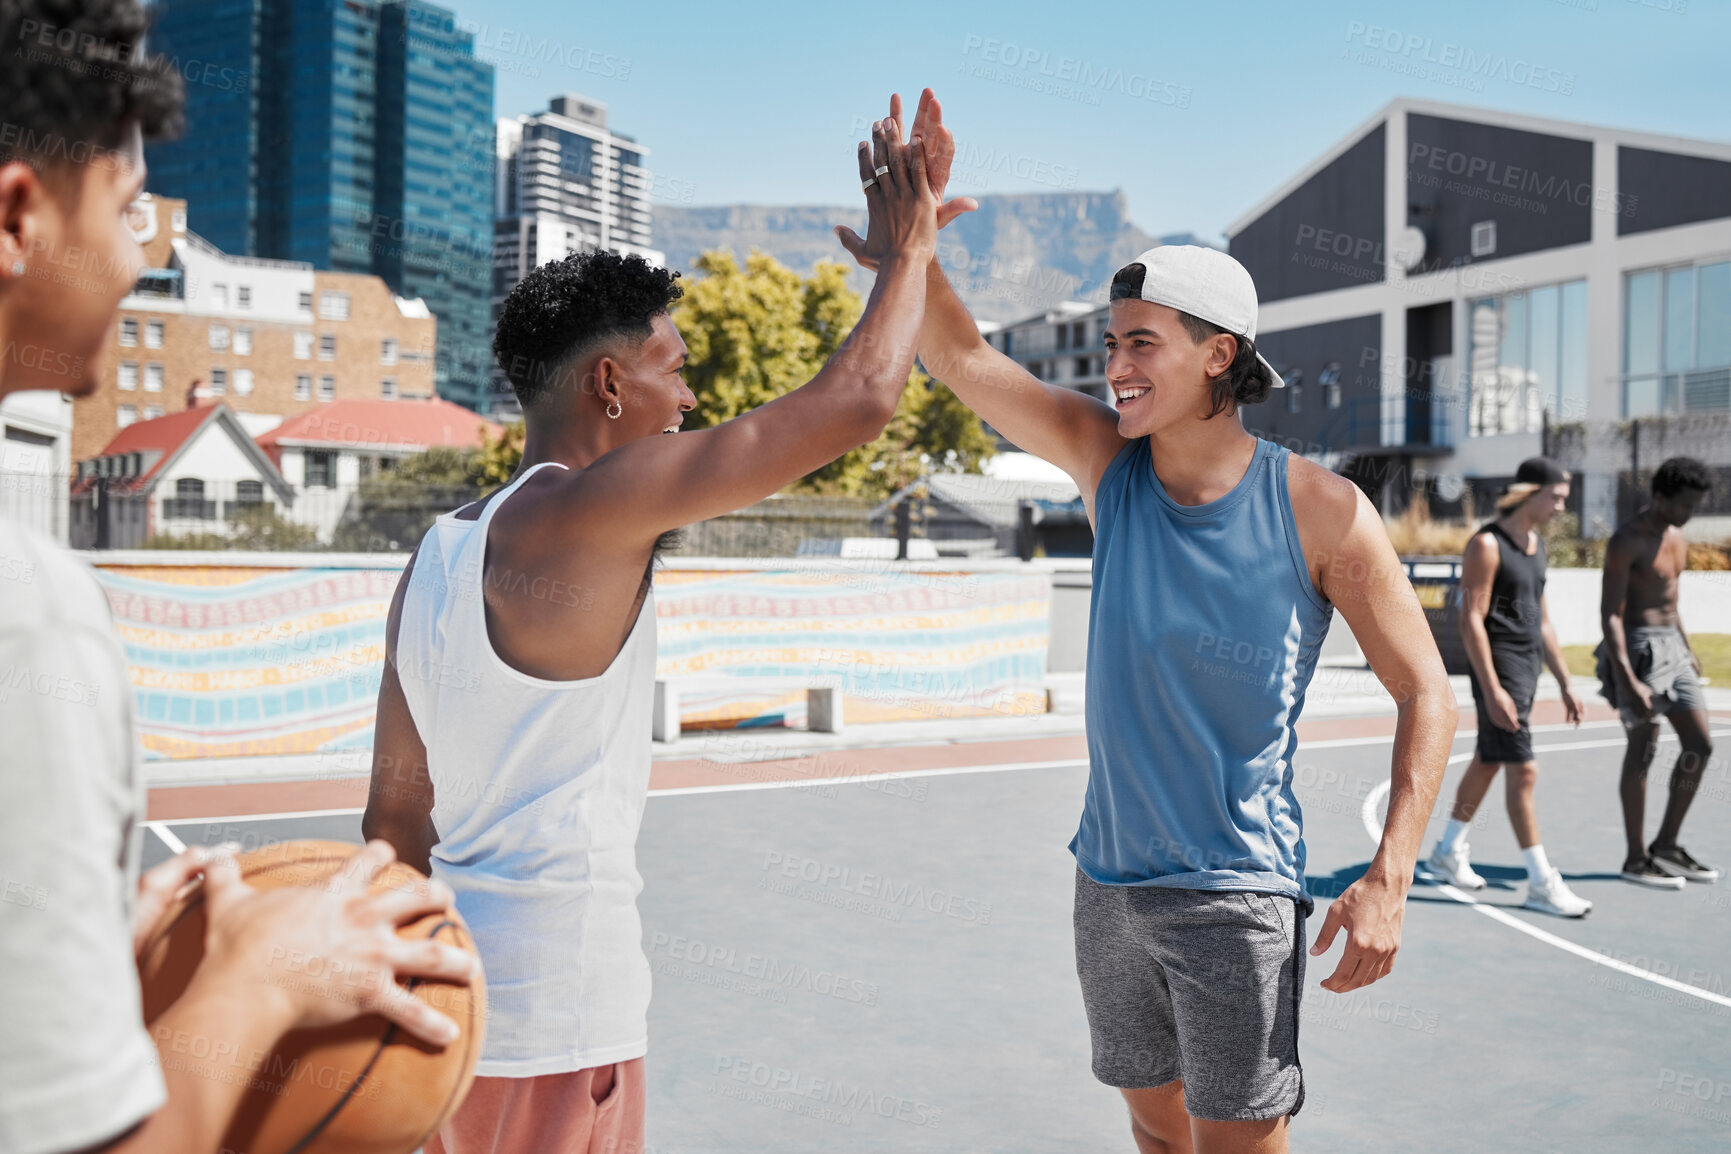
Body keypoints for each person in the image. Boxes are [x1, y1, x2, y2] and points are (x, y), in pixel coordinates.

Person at [837, 90, 1455, 1154]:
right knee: (1156, 1135)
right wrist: (917, 246)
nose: (1115, 363)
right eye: (1110, 340)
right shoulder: (1104, 463)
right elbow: (962, 359)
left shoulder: (1319, 509)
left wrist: (1389, 871)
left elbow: (1426, 690)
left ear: (1220, 354)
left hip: (1236, 895)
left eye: (1141, 342)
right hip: (1107, 885)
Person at [359, 113, 938, 1153]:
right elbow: (858, 400)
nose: (692, 394)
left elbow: (395, 824)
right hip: (559, 1026)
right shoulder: (591, 508)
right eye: (674, 366)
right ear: (609, 384)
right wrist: (914, 248)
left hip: (459, 1027)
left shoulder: (436, 554)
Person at [0, 3, 476, 1151]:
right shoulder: (29, 619)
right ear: (19, 217)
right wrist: (263, 982)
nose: (144, 253)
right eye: (125, 210)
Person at [1424, 458, 1592, 916]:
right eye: (1555, 496)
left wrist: (1565, 682)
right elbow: (1470, 618)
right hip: (1497, 671)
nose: (1561, 506)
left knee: (1490, 760)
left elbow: (1544, 622)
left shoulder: (1536, 546)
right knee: (1524, 770)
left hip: (1526, 669)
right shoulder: (1487, 545)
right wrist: (1492, 688)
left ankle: (1446, 852)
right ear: (1528, 492)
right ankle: (1541, 881)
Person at [1596, 456, 1718, 888]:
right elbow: (1610, 614)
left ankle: (1667, 844)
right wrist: (1626, 678)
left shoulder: (1677, 536)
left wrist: (1686, 647)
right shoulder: (1627, 540)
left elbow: (1672, 598)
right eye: (1683, 504)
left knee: (1700, 745)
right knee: (1643, 750)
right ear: (1660, 496)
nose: (1688, 514)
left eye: (1694, 506)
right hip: (1638, 648)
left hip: (1673, 647)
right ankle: (1636, 857)